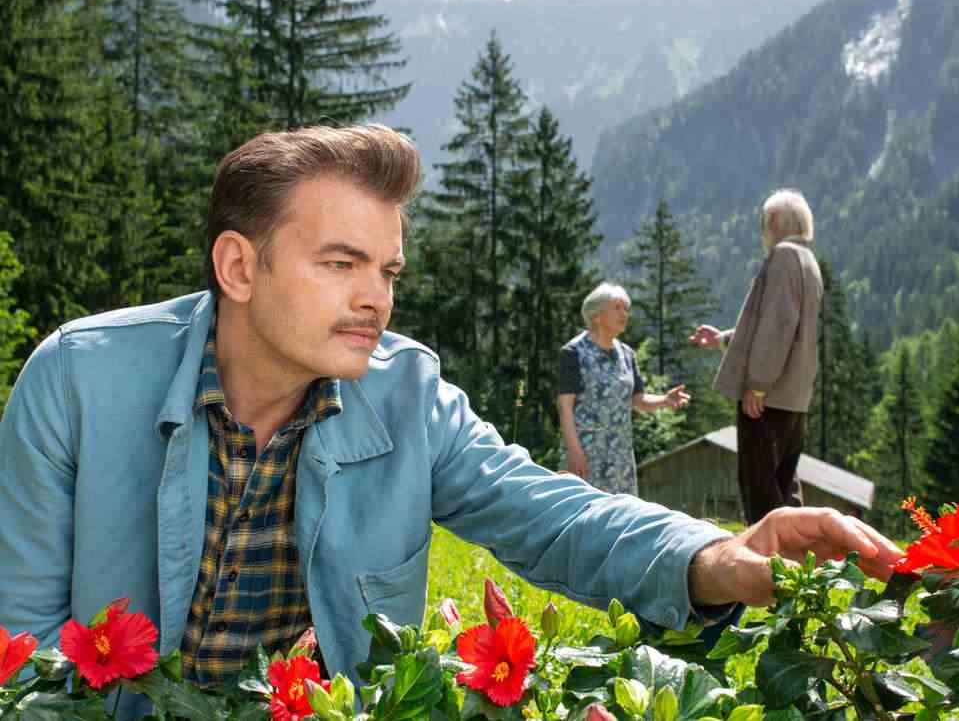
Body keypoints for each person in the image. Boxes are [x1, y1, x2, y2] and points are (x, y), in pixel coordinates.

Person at [0, 126, 895, 718]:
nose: (376, 299)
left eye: (388, 270)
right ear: (239, 265)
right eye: (342, 262)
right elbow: (24, 646)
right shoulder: (76, 383)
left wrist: (713, 555)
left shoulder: (407, 394)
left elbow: (551, 514)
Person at [691, 189, 823, 525]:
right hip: (795, 398)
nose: (763, 231)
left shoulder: (781, 257)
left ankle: (768, 568)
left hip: (769, 397)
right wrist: (722, 339)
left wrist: (758, 384)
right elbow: (780, 328)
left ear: (775, 221)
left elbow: (777, 326)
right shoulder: (809, 262)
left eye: (764, 223)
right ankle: (797, 567)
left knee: (760, 490)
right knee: (784, 488)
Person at [556, 284, 688, 495]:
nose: (624, 313)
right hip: (585, 453)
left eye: (626, 308)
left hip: (621, 458)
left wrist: (665, 400)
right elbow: (565, 407)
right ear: (596, 315)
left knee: (620, 518)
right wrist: (574, 451)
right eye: (617, 307)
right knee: (579, 514)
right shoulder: (573, 352)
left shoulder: (627, 354)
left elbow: (638, 399)